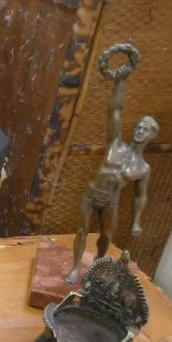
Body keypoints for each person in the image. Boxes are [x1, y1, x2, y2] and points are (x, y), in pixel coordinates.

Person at [65, 44, 158, 284]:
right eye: (138, 126)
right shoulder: (115, 143)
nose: (139, 130)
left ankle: (96, 267)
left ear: (151, 136)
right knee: (82, 230)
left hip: (111, 201)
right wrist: (121, 81)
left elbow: (140, 197)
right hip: (92, 192)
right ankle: (75, 267)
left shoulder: (142, 169)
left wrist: (137, 221)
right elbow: (114, 110)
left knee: (106, 235)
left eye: (145, 129)